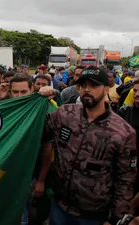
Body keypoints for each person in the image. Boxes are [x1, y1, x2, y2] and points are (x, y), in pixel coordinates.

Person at [36, 66, 137, 225]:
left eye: (93, 85)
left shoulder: (123, 132)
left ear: (105, 89)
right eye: (83, 85)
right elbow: (36, 131)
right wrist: (38, 98)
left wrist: (114, 219)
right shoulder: (65, 114)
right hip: (59, 206)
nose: (87, 90)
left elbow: (126, 180)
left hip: (94, 216)